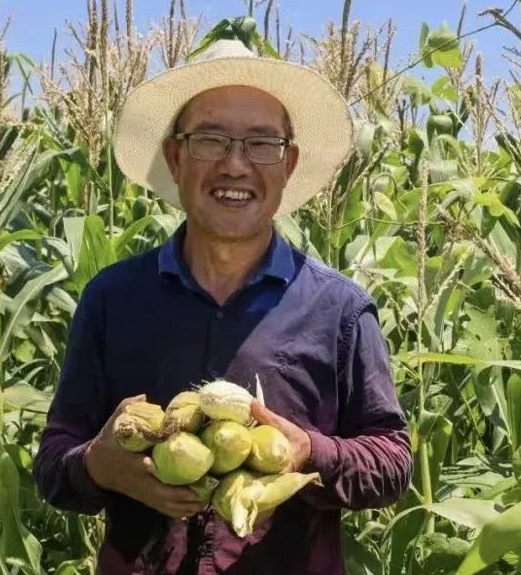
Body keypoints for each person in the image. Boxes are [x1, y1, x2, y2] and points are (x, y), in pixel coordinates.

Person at [33, 37, 413, 574]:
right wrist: (99, 465)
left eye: (262, 144)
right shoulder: (112, 300)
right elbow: (53, 464)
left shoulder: (339, 310)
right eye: (210, 140)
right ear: (174, 156)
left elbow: (392, 464)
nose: (235, 166)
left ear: (289, 164)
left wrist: (307, 452)